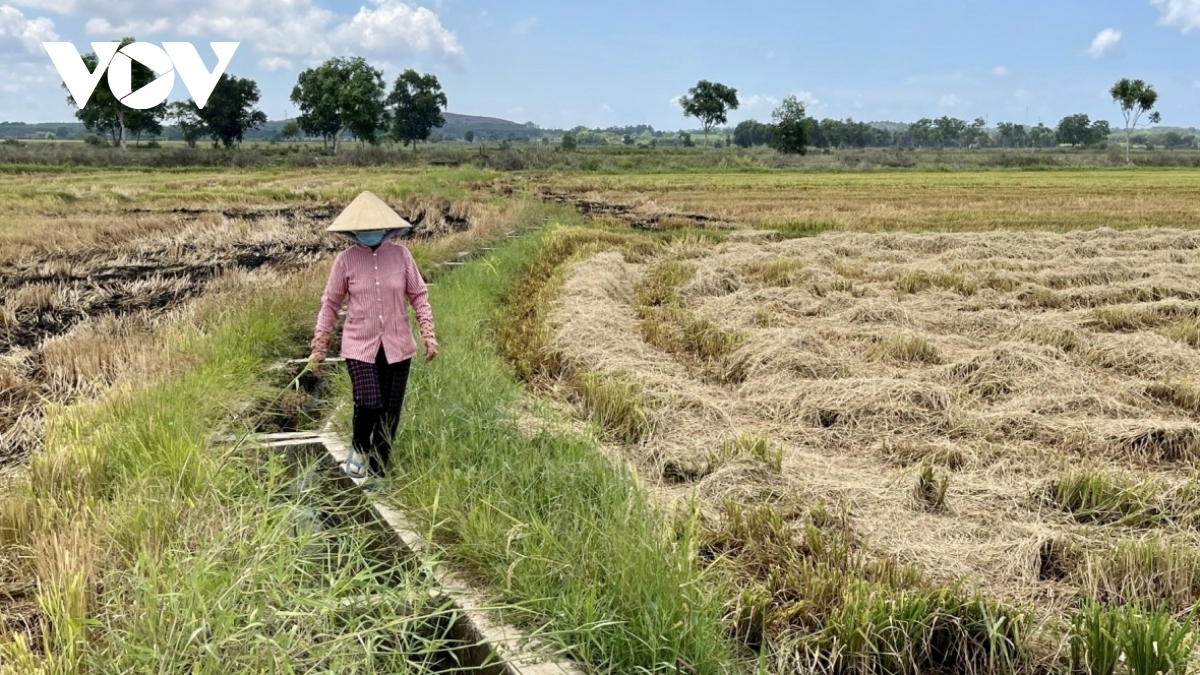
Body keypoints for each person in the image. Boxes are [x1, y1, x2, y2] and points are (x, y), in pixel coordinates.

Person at [309, 191, 438, 480]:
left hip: (398, 346)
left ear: (385, 227)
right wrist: (320, 345)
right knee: (368, 401)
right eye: (362, 229)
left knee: (389, 417)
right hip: (359, 346)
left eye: (373, 228)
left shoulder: (401, 256)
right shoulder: (345, 261)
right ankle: (358, 445)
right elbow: (330, 304)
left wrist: (428, 333)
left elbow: (418, 295)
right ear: (353, 231)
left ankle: (378, 474)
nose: (368, 233)